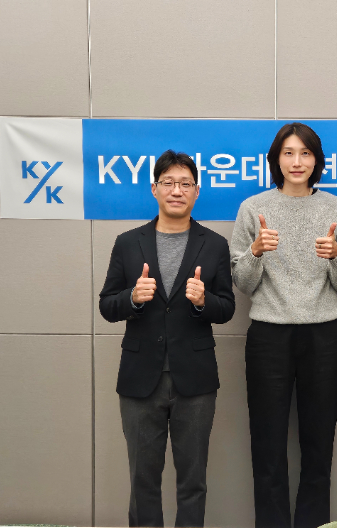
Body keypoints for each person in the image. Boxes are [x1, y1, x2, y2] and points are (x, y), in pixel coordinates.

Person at [230, 122, 337, 528]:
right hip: (268, 334)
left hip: (323, 335)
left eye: (305, 153)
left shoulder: (336, 208)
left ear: (317, 160)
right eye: (288, 153)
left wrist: (336, 255)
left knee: (318, 445)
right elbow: (242, 283)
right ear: (276, 160)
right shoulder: (253, 208)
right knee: (267, 444)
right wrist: (255, 252)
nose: (297, 161)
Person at [99, 150, 235, 527]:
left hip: (196, 379)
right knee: (143, 481)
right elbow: (107, 305)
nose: (177, 190)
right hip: (140, 378)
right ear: (154, 189)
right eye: (169, 183)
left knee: (193, 482)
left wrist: (204, 301)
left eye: (185, 183)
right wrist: (132, 298)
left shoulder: (215, 244)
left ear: (197, 191)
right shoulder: (128, 243)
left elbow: (227, 307)